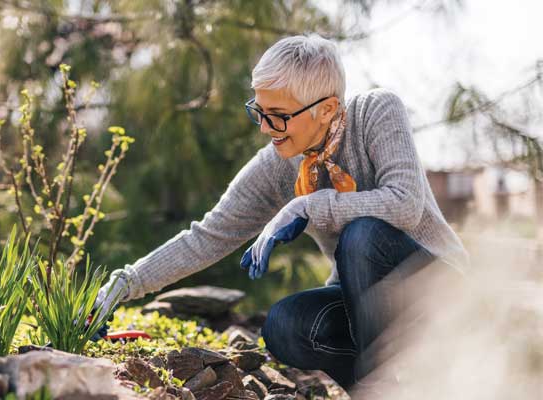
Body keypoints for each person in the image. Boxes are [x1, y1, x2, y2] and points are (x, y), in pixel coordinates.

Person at [91, 34, 468, 391]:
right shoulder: (277, 164)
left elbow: (403, 203)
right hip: (366, 311)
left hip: (438, 289)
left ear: (327, 109)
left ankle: (382, 388)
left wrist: (309, 205)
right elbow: (207, 237)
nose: (265, 128)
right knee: (285, 325)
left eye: (278, 115)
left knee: (362, 233)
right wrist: (124, 284)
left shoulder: (377, 111)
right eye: (258, 111)